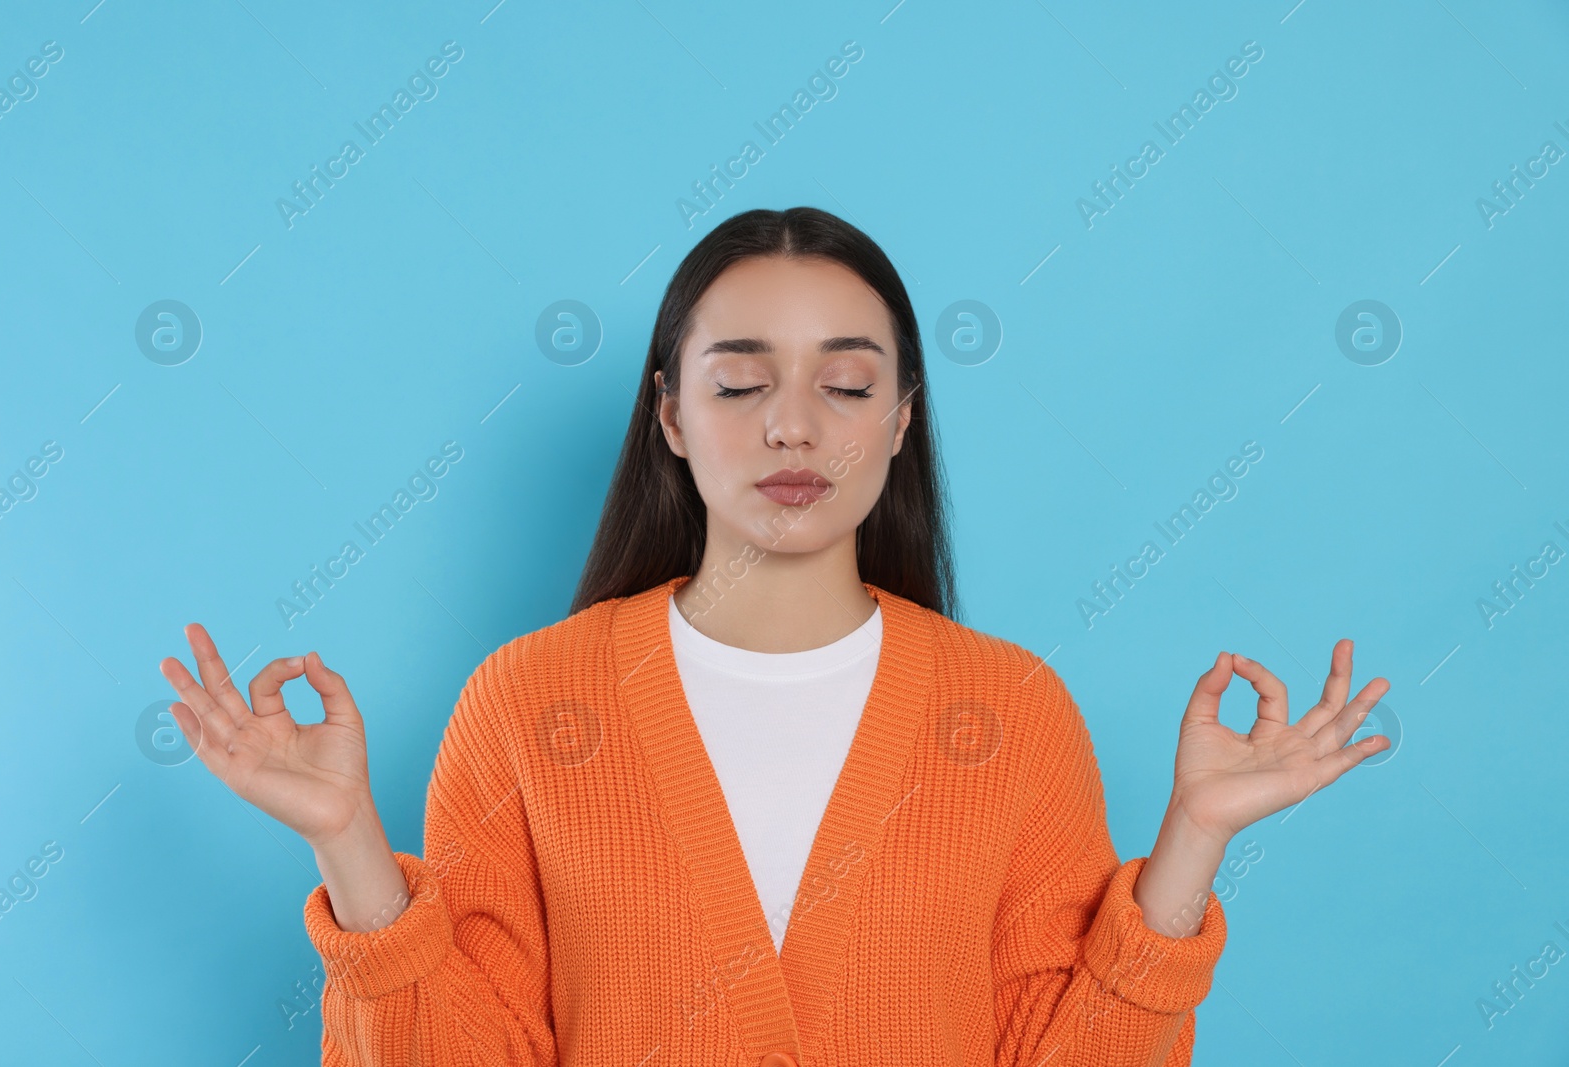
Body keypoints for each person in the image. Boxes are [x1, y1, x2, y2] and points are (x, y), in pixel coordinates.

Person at [158, 206, 1391, 1066]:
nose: (793, 428)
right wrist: (345, 837)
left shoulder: (1011, 712)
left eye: (846, 385)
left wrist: (1194, 835)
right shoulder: (529, 701)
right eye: (741, 383)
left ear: (903, 417)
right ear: (672, 418)